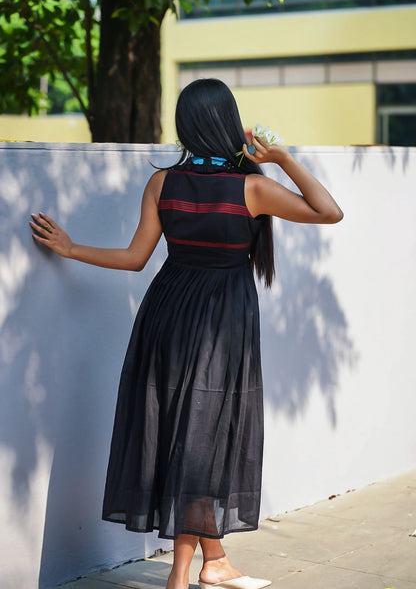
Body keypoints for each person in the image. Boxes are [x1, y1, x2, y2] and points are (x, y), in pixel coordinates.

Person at [30, 78, 343, 589]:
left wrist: (72, 248)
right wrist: (283, 158)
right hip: (221, 322)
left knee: (188, 429)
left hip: (167, 314)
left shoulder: (163, 183)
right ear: (228, 122)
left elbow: (135, 259)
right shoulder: (251, 189)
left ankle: (215, 559)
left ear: (186, 126)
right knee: (201, 438)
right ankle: (180, 574)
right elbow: (330, 211)